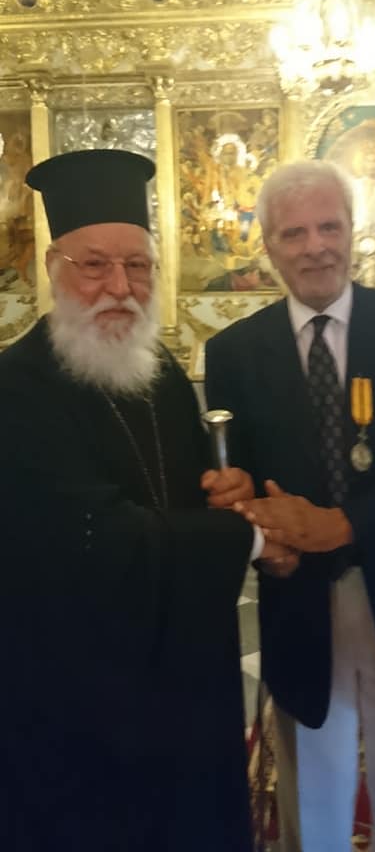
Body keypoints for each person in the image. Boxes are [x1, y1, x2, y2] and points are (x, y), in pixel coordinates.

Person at [0, 148, 287, 852]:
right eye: (94, 265)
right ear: (53, 268)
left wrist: (229, 491)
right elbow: (96, 535)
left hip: (184, 683)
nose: (120, 287)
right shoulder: (16, 388)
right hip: (77, 701)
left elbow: (184, 495)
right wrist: (253, 536)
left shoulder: (155, 369)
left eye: (138, 265)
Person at [205, 159, 375, 852]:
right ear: (268, 246)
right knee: (315, 801)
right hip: (300, 601)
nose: (315, 247)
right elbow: (239, 481)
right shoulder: (235, 352)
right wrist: (253, 528)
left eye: (329, 227)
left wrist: (343, 526)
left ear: (355, 231)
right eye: (293, 233)